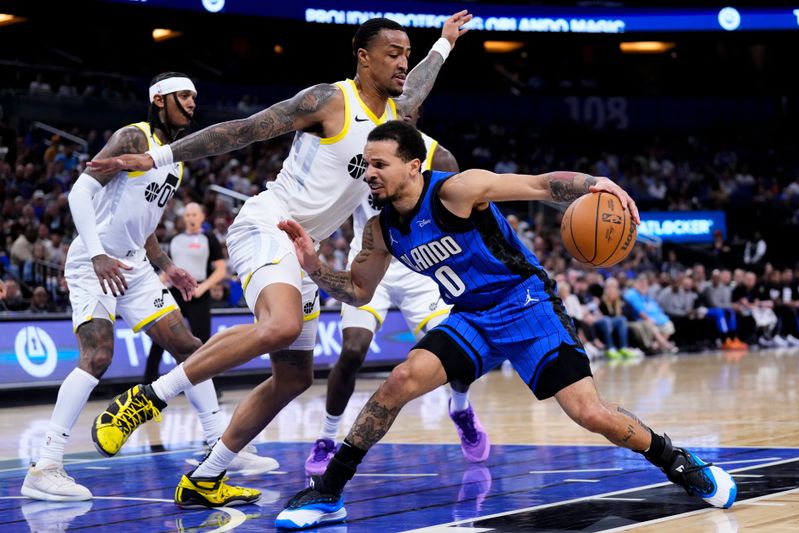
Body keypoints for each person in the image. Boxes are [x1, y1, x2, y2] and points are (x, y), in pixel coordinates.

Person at [87, 13, 473, 508]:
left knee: (293, 377)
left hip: (302, 247)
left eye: (406, 53)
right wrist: (160, 158)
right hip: (268, 222)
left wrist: (442, 45)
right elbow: (245, 130)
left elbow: (417, 85)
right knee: (282, 326)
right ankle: (145, 400)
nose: (403, 63)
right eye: (393, 53)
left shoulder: (395, 117)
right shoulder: (329, 100)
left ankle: (205, 478)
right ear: (363, 57)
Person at [274, 121, 735, 529]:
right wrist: (314, 266)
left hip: (526, 304)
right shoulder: (382, 230)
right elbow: (358, 291)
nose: (369, 172)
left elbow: (538, 186)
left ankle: (677, 461)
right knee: (400, 380)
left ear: (413, 166)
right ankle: (329, 491)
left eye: (379, 163)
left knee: (590, 414)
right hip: (471, 316)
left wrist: (598, 183)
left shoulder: (456, 191)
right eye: (366, 165)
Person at [21, 73, 275, 503]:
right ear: (160, 100)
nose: (193, 103)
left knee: (189, 347)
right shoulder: (130, 138)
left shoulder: (172, 158)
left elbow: (144, 221)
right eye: (184, 96)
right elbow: (79, 194)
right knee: (98, 354)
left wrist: (165, 264)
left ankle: (218, 442)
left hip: (136, 265)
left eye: (195, 96)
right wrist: (100, 254)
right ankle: (45, 466)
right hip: (92, 261)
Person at [305, 106, 489, 476]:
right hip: (372, 264)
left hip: (422, 267)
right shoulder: (359, 150)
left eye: (410, 108)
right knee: (353, 351)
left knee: (455, 357)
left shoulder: (438, 155)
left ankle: (460, 407)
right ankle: (326, 437)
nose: (401, 111)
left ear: (419, 114)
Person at [144, 202, 228, 384]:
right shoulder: (174, 239)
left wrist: (203, 287)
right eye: (188, 215)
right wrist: (155, 285)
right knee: (161, 339)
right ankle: (147, 383)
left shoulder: (209, 238)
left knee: (202, 343)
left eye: (194, 214)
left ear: (202, 217)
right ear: (184, 218)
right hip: (175, 293)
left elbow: (221, 270)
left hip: (199, 294)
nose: (191, 218)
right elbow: (168, 270)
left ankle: (208, 386)